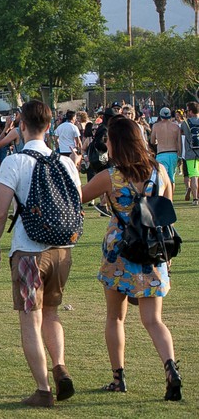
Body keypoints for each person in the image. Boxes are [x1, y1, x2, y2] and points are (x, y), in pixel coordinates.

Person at [0, 100, 80, 408]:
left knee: (30, 318)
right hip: (62, 250)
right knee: (51, 313)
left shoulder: (15, 162)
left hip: (29, 251)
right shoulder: (65, 162)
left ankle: (42, 389)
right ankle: (60, 365)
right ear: (50, 126)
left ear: (22, 127)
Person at [79, 117, 182, 400]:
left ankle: (118, 378)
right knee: (154, 320)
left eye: (109, 140)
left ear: (117, 143)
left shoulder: (110, 177)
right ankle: (171, 369)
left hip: (119, 252)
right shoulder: (159, 171)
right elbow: (167, 210)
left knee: (115, 318)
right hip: (152, 250)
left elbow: (79, 197)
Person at [150, 107, 181, 191]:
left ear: (160, 116)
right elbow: (179, 143)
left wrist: (158, 141)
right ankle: (170, 199)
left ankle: (163, 197)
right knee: (171, 178)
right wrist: (180, 156)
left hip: (161, 154)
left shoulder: (156, 126)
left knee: (161, 178)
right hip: (173, 154)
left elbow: (152, 141)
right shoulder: (176, 126)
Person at [181, 101, 199, 206]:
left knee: (193, 176)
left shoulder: (185, 123)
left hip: (190, 153)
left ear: (191, 111)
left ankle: (195, 198)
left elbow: (182, 133)